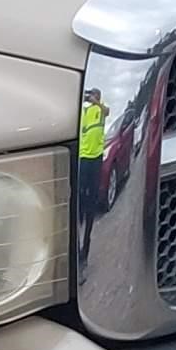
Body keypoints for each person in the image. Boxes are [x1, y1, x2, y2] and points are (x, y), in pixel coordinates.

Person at [76, 87, 108, 257]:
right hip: (83, 157)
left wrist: (96, 102)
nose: (90, 97)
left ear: (98, 96)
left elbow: (107, 111)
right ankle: (79, 226)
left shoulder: (101, 109)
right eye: (89, 95)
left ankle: (86, 245)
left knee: (92, 197)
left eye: (93, 94)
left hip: (96, 157)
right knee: (80, 195)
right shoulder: (84, 111)